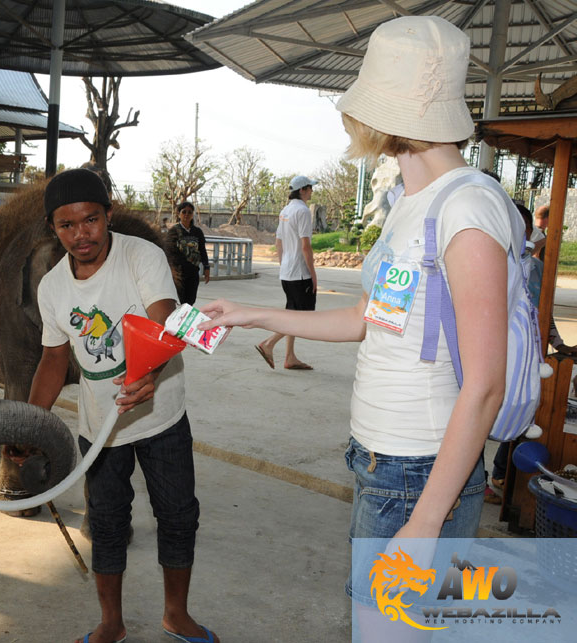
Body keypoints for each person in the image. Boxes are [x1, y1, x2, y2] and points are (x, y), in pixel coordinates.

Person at [199, 15, 512, 637]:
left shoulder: (468, 207)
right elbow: (372, 320)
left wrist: (425, 523)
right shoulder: (414, 206)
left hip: (420, 470)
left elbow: (485, 386)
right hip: (381, 461)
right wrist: (251, 313)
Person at [29, 169, 217, 643]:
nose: (80, 234)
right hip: (101, 429)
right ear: (53, 228)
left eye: (90, 220)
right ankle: (111, 624)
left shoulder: (142, 256)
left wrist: (148, 372)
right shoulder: (52, 288)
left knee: (177, 515)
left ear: (108, 215)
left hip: (161, 415)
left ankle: (176, 614)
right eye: (66, 225)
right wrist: (29, 424)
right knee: (108, 525)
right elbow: (53, 359)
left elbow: (162, 320)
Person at [256, 175, 318, 371]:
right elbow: (306, 246)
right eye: (310, 188)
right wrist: (313, 274)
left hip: (287, 272)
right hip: (300, 273)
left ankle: (290, 356)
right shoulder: (303, 211)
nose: (312, 192)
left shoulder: (285, 211)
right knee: (302, 316)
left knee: (292, 312)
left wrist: (284, 265)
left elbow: (278, 242)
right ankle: (269, 343)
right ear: (302, 190)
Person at [166, 202, 210, 305]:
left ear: (193, 214)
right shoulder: (174, 231)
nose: (186, 214)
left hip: (193, 272)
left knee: (190, 300)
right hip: (179, 273)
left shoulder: (197, 232)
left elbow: (202, 250)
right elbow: (169, 252)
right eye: (184, 212)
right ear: (179, 214)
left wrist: (206, 267)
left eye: (189, 212)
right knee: (180, 299)